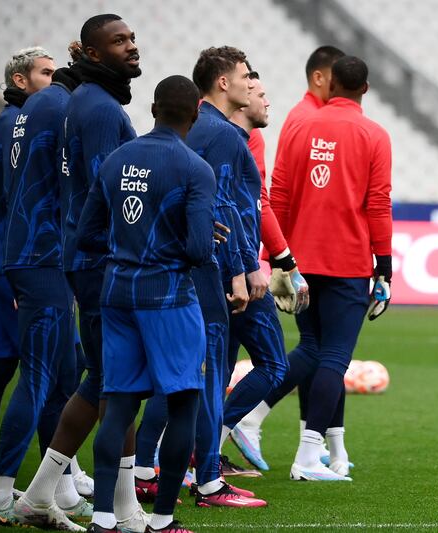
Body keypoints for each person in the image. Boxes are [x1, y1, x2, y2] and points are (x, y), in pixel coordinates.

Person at [76, 74, 214, 533]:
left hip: (116, 291)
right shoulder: (195, 168)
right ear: (196, 112)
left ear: (153, 109)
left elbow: (87, 234)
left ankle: (102, 519)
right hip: (168, 297)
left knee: (116, 404)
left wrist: (126, 246)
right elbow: (198, 251)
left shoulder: (117, 159)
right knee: (182, 405)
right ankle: (162, 520)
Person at [270, 55, 393, 481]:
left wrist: (278, 256)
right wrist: (386, 265)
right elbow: (377, 203)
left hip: (301, 259)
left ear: (331, 84)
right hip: (347, 262)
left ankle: (322, 447)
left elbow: (279, 193)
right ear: (365, 89)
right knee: (335, 356)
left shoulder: (301, 126)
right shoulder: (374, 134)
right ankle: (306, 455)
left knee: (314, 349)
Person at [231, 44, 345, 472]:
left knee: (325, 348)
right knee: (318, 349)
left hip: (291, 252)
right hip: (300, 255)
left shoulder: (302, 119)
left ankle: (321, 449)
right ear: (320, 77)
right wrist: (277, 258)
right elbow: (269, 195)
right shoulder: (303, 121)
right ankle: (247, 419)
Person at [3, 43, 99, 531]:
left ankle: (55, 487)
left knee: (64, 374)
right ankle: (1, 492)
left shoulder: (31, 109)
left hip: (36, 254)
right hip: (41, 256)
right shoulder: (61, 106)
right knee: (39, 376)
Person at [60, 14, 148, 531]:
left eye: (131, 38)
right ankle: (119, 510)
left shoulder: (95, 102)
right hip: (100, 264)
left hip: (93, 259)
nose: (131, 46)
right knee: (117, 384)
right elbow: (108, 195)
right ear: (93, 54)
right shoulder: (97, 110)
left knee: (108, 381)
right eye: (119, 41)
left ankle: (46, 491)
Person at [183, 45, 269, 507]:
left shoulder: (202, 127)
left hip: (200, 265)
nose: (249, 82)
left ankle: (153, 469)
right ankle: (209, 480)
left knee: (195, 370)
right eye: (243, 76)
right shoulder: (222, 135)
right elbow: (224, 207)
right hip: (215, 269)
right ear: (223, 83)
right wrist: (241, 268)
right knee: (211, 371)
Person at [0, 46, 58, 525]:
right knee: (20, 373)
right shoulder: (14, 126)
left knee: (15, 372)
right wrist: (7, 268)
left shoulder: (14, 124)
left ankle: (57, 482)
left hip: (8, 265)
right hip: (10, 268)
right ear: (20, 79)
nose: (54, 81)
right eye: (46, 73)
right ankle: (6, 484)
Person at [227, 70, 309, 473]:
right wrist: (278, 260)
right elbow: (255, 205)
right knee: (275, 363)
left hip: (218, 269)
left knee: (215, 369)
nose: (266, 100)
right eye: (258, 90)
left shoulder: (207, 131)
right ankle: (213, 439)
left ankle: (181, 458)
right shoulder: (244, 140)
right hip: (239, 271)